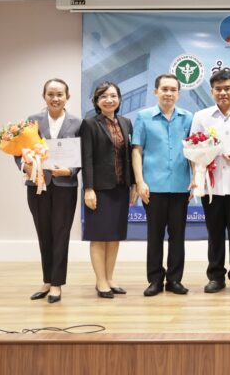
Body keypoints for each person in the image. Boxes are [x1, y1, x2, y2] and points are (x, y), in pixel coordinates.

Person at [16, 78, 81, 304]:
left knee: (61, 233)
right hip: (37, 185)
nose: (55, 98)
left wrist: (70, 170)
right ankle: (47, 279)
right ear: (44, 96)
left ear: (67, 97)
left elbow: (82, 154)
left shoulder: (77, 122)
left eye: (60, 94)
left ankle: (57, 284)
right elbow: (19, 150)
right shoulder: (32, 121)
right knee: (43, 232)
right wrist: (24, 165)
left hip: (65, 186)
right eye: (51, 94)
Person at [190, 69, 230, 294]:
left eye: (227, 88)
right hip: (211, 185)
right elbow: (192, 149)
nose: (223, 92)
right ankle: (216, 276)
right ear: (212, 91)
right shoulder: (202, 117)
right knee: (214, 232)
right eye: (218, 89)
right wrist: (197, 178)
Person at [132, 74, 193, 297]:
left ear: (178, 93)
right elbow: (137, 150)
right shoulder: (144, 117)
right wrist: (140, 182)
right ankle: (155, 280)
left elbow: (194, 152)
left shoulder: (188, 118)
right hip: (153, 187)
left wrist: (195, 180)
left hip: (180, 186)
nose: (168, 93)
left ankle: (175, 279)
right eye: (164, 89)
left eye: (173, 90)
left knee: (178, 235)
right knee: (155, 235)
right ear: (156, 91)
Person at [80, 82, 136, 299]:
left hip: (120, 188)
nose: (109, 100)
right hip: (100, 189)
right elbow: (87, 158)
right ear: (96, 101)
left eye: (113, 96)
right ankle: (100, 281)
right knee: (99, 236)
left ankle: (110, 278)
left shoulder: (126, 122)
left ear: (119, 99)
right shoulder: (90, 124)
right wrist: (89, 189)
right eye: (103, 96)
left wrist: (132, 184)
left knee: (114, 236)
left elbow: (130, 156)